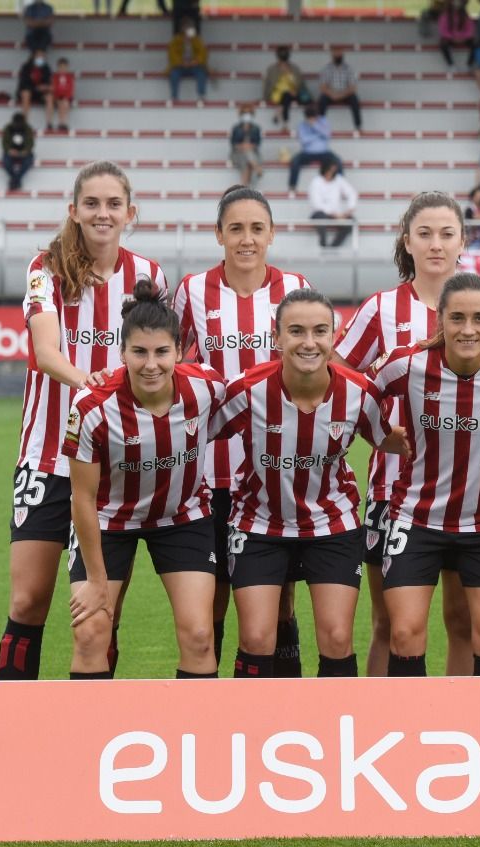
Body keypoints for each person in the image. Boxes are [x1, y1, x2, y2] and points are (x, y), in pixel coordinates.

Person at [334, 192, 480, 677]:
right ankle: (385, 725)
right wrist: (377, 431)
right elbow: (335, 375)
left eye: (446, 234)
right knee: (389, 624)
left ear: (463, 241)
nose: (436, 244)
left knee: (462, 620)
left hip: (470, 501)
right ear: (407, 241)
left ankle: (455, 728)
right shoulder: (380, 308)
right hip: (393, 491)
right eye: (425, 234)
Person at [0, 160, 167, 681]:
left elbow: (157, 356)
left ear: (130, 213)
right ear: (73, 211)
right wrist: (91, 383)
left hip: (114, 470)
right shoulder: (46, 268)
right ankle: (10, 719)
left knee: (98, 618)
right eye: (91, 203)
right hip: (46, 460)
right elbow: (46, 351)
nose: (102, 213)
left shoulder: (149, 277)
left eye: (113, 204)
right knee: (28, 602)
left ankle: (90, 737)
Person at [212, 288, 397, 677]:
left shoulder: (359, 393)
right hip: (259, 523)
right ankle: (250, 729)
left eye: (319, 331)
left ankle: (335, 729)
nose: (309, 342)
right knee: (257, 639)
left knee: (336, 638)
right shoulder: (247, 391)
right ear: (276, 337)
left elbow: (388, 438)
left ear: (334, 336)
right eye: (296, 331)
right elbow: (196, 428)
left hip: (333, 523)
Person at [372, 274, 480, 677]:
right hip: (416, 518)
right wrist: (383, 436)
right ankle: (409, 732)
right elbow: (357, 396)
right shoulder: (408, 363)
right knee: (406, 634)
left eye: (478, 319)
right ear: (440, 320)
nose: (468, 330)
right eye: (457, 318)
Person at [172, 186, 313, 672]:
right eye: (236, 229)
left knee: (279, 600)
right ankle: (213, 712)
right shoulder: (191, 290)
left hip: (278, 471)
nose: (247, 239)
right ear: (219, 234)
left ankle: (281, 705)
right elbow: (171, 361)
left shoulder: (294, 286)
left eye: (257, 228)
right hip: (210, 476)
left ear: (272, 234)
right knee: (212, 600)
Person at [64, 283, 225, 680]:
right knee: (90, 632)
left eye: (161, 352)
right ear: (122, 354)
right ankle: (90, 738)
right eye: (139, 352)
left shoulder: (206, 387)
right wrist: (97, 582)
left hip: (182, 516)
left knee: (201, 636)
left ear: (179, 352)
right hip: (108, 521)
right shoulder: (91, 407)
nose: (151, 364)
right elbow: (82, 498)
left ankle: (194, 737)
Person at [288, 99, 337, 192]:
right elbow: (304, 141)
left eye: (313, 117)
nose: (311, 120)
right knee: (295, 162)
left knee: (337, 162)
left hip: (324, 153)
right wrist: (318, 135)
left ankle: (338, 186)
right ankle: (292, 186)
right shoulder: (302, 125)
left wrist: (315, 126)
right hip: (307, 153)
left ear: (317, 116)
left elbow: (327, 135)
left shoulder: (323, 121)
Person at [308, 158, 358, 247]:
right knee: (320, 218)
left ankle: (333, 248)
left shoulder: (339, 180)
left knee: (351, 221)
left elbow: (351, 193)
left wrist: (349, 209)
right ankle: (323, 245)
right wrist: (333, 214)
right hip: (321, 213)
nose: (331, 173)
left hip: (337, 215)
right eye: (330, 170)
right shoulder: (316, 182)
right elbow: (316, 204)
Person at [319, 47, 363, 131]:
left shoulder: (349, 68)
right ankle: (320, 126)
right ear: (332, 55)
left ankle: (358, 126)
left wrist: (341, 94)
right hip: (331, 94)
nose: (338, 55)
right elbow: (322, 87)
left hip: (345, 94)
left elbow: (353, 87)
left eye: (340, 53)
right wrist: (332, 94)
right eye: (336, 53)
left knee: (354, 99)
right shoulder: (326, 68)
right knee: (322, 99)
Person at [262, 46, 308, 126]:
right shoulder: (272, 69)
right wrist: (265, 98)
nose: (283, 55)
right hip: (277, 94)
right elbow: (268, 85)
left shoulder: (294, 68)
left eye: (285, 53)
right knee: (286, 95)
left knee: (288, 96)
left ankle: (279, 113)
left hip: (294, 93)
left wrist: (295, 90)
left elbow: (301, 83)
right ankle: (285, 122)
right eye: (281, 53)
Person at [167, 19, 209, 101]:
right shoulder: (176, 40)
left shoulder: (197, 40)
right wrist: (181, 63)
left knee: (201, 73)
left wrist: (195, 62)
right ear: (182, 29)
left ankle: (201, 95)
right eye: (186, 27)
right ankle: (174, 96)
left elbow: (203, 53)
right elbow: (172, 55)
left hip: (194, 65)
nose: (188, 30)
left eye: (190, 27)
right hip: (180, 66)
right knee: (174, 74)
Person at [17, 50, 54, 131]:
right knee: (25, 94)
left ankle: (49, 123)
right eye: (39, 56)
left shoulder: (46, 68)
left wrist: (45, 87)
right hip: (29, 90)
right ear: (34, 57)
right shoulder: (26, 67)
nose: (40, 58)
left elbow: (48, 82)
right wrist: (35, 88)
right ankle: (24, 122)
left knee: (49, 97)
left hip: (41, 93)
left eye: (42, 56)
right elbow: (23, 83)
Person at [1, 112, 37, 191]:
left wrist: (25, 151)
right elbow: (4, 143)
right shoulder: (8, 128)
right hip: (11, 152)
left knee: (28, 161)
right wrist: (9, 150)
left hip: (24, 152)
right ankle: (17, 180)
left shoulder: (28, 129)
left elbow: (30, 144)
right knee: (5, 161)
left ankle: (14, 180)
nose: (18, 125)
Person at [229, 105, 264, 187]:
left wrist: (247, 147)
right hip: (237, 153)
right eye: (244, 113)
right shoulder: (236, 128)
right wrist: (244, 147)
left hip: (253, 153)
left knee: (247, 159)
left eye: (249, 113)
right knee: (246, 156)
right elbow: (234, 144)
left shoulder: (256, 128)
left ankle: (244, 187)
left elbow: (257, 144)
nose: (247, 115)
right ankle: (257, 168)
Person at [437, 0, 476, 69]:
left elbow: (470, 29)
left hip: (464, 39)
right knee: (443, 44)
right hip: (450, 39)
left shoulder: (465, 15)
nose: (456, 4)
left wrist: (463, 38)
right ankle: (450, 64)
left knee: (475, 44)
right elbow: (443, 30)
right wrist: (453, 38)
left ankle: (469, 64)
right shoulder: (445, 15)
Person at [51, 58, 75, 132]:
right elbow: (54, 88)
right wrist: (56, 97)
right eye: (60, 67)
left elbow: (71, 88)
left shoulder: (69, 77)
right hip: (58, 96)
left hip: (67, 97)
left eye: (64, 67)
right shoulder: (55, 77)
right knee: (60, 104)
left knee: (65, 104)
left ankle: (64, 122)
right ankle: (61, 123)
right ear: (58, 68)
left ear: (67, 68)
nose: (62, 69)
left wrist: (67, 97)